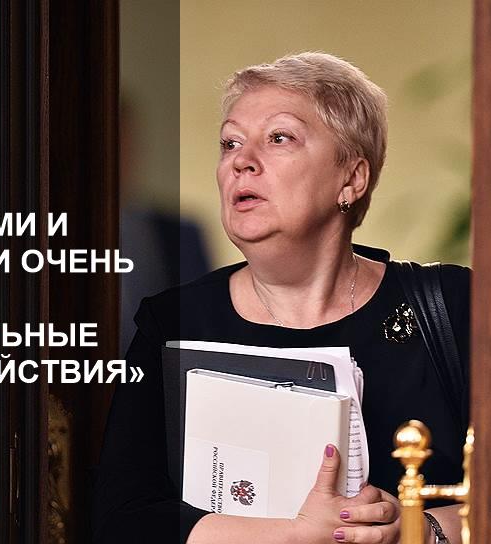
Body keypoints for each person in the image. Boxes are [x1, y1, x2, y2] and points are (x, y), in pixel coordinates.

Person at [93, 52, 470, 544]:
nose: (240, 161)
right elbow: (123, 522)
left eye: (279, 138)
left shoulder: (452, 307)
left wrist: (418, 531)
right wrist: (296, 534)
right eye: (230, 142)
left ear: (352, 179)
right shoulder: (172, 322)